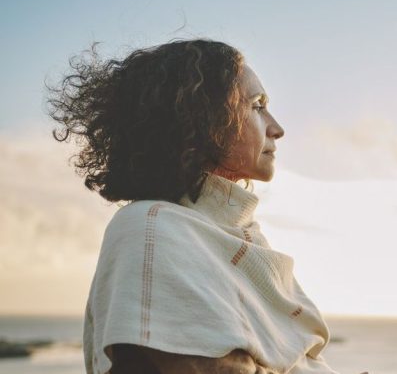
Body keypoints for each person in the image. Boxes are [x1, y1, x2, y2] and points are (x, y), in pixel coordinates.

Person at [47, 39, 347, 374]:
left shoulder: (242, 236)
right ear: (205, 118)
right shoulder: (149, 227)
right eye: (257, 106)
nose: (277, 129)